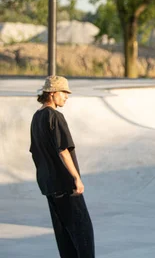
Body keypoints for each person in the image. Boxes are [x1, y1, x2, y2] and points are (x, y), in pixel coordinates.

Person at [30, 76, 95, 258]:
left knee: (64, 235)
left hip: (49, 185)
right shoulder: (55, 117)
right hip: (66, 185)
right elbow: (63, 150)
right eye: (64, 92)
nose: (67, 97)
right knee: (83, 233)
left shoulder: (36, 117)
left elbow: (35, 152)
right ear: (51, 93)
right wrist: (76, 178)